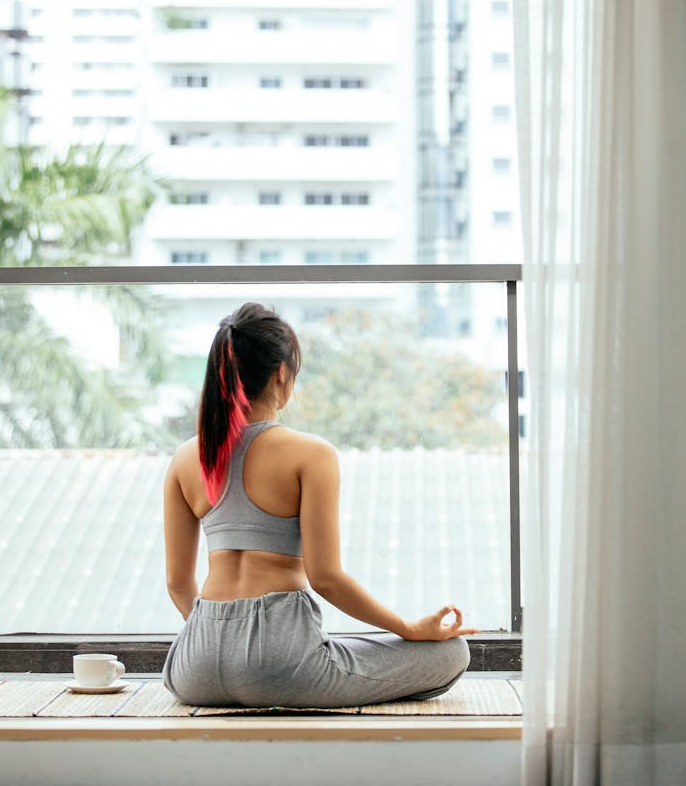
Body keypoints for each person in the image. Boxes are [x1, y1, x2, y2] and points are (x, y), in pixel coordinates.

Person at [162, 301, 476, 708]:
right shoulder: (311, 454)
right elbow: (325, 577)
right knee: (451, 653)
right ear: (281, 375)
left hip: (194, 667)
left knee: (342, 645)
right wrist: (408, 628)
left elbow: (177, 583)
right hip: (281, 664)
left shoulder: (187, 458)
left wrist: (219, 641)